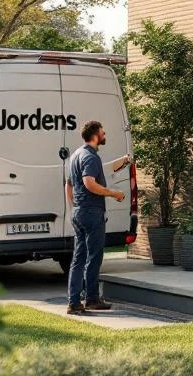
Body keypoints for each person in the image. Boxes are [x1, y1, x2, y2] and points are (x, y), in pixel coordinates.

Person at [64, 120, 130, 315]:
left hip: (79, 212)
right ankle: (91, 299)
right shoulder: (91, 158)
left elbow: (68, 185)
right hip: (92, 213)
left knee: (78, 258)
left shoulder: (76, 155)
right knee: (94, 257)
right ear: (95, 135)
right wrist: (113, 193)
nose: (105, 133)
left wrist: (72, 208)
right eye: (102, 131)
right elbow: (89, 183)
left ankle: (74, 301)